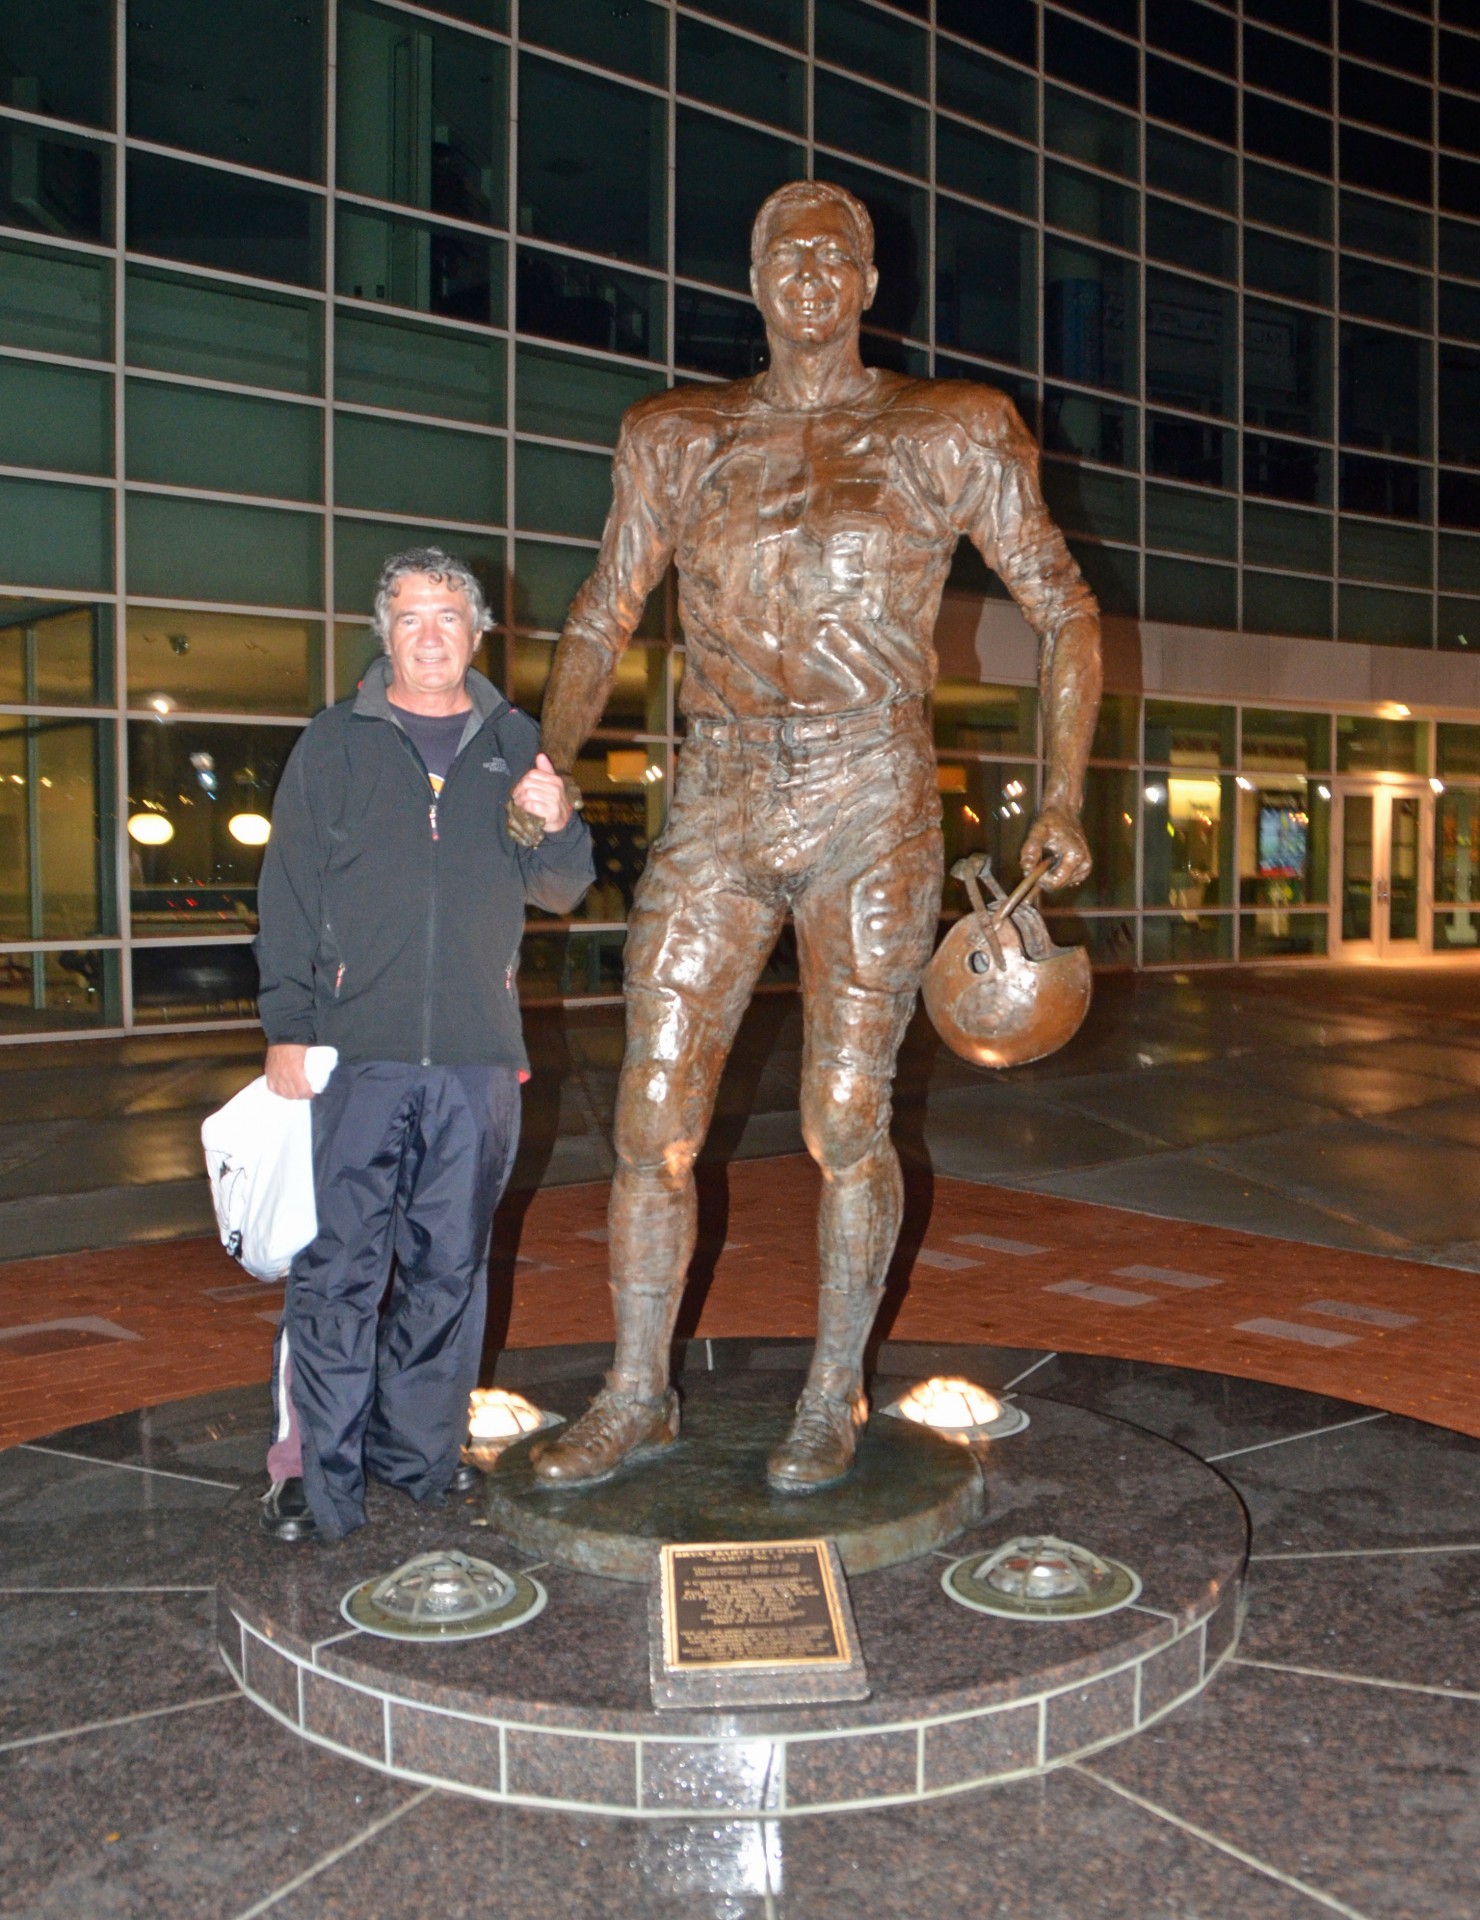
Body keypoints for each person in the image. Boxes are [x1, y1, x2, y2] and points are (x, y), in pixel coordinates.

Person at [516, 180, 1101, 1496]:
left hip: (870, 788)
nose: (812, 274)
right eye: (787, 254)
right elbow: (605, 611)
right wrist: (545, 761)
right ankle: (634, 1391)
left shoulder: (950, 427)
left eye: (838, 257)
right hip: (717, 790)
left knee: (846, 1116)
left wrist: (1061, 792)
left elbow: (1064, 607)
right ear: (755, 277)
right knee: (652, 1117)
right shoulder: (673, 436)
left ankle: (833, 1389)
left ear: (873, 284)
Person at [254, 547, 594, 1541]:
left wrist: (561, 818)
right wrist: (288, 1028)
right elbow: (287, 898)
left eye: (448, 614)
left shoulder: (515, 738)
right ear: (385, 633)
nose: (430, 633)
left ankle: (417, 1460)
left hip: (478, 1062)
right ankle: (311, 1475)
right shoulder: (335, 742)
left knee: (450, 1272)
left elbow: (563, 887)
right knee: (336, 1273)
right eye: (410, 616)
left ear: (478, 632)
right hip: (354, 1054)